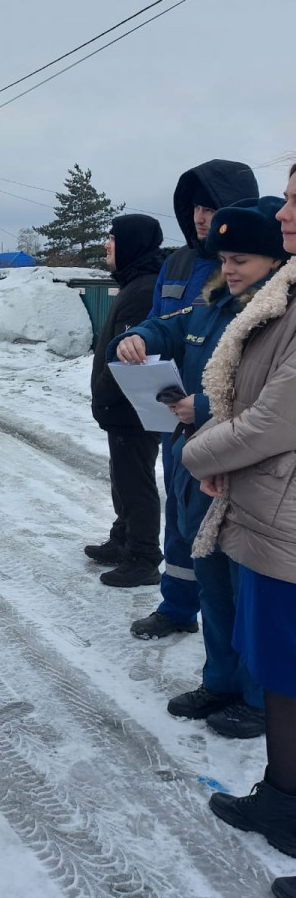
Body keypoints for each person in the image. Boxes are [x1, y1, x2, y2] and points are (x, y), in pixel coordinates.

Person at [112, 199, 285, 738]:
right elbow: (164, 327)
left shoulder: (277, 316)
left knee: (249, 589)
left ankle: (260, 699)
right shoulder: (210, 305)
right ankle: (222, 680)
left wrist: (202, 410)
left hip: (252, 470)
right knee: (210, 577)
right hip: (200, 462)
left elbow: (277, 403)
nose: (228, 270)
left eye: (242, 261)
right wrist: (137, 337)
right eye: (224, 259)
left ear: (276, 262)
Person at [182, 164, 296, 898]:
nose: (283, 214)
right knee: (283, 675)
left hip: (285, 517)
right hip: (274, 513)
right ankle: (282, 799)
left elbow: (273, 421)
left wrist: (200, 453)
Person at [131, 159, 259, 640]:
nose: (201, 217)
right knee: (180, 521)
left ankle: (230, 656)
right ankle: (177, 606)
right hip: (175, 418)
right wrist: (140, 343)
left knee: (219, 538)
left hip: (227, 427)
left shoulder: (254, 268)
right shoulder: (179, 263)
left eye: (210, 206)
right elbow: (165, 324)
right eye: (194, 207)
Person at [86, 213, 165, 587]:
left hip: (133, 407)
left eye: (113, 238)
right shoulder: (137, 283)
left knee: (135, 481)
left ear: (131, 243)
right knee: (124, 477)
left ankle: (143, 556)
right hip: (126, 408)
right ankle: (124, 539)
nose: (107, 244)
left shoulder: (144, 289)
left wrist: (104, 394)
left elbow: (127, 359)